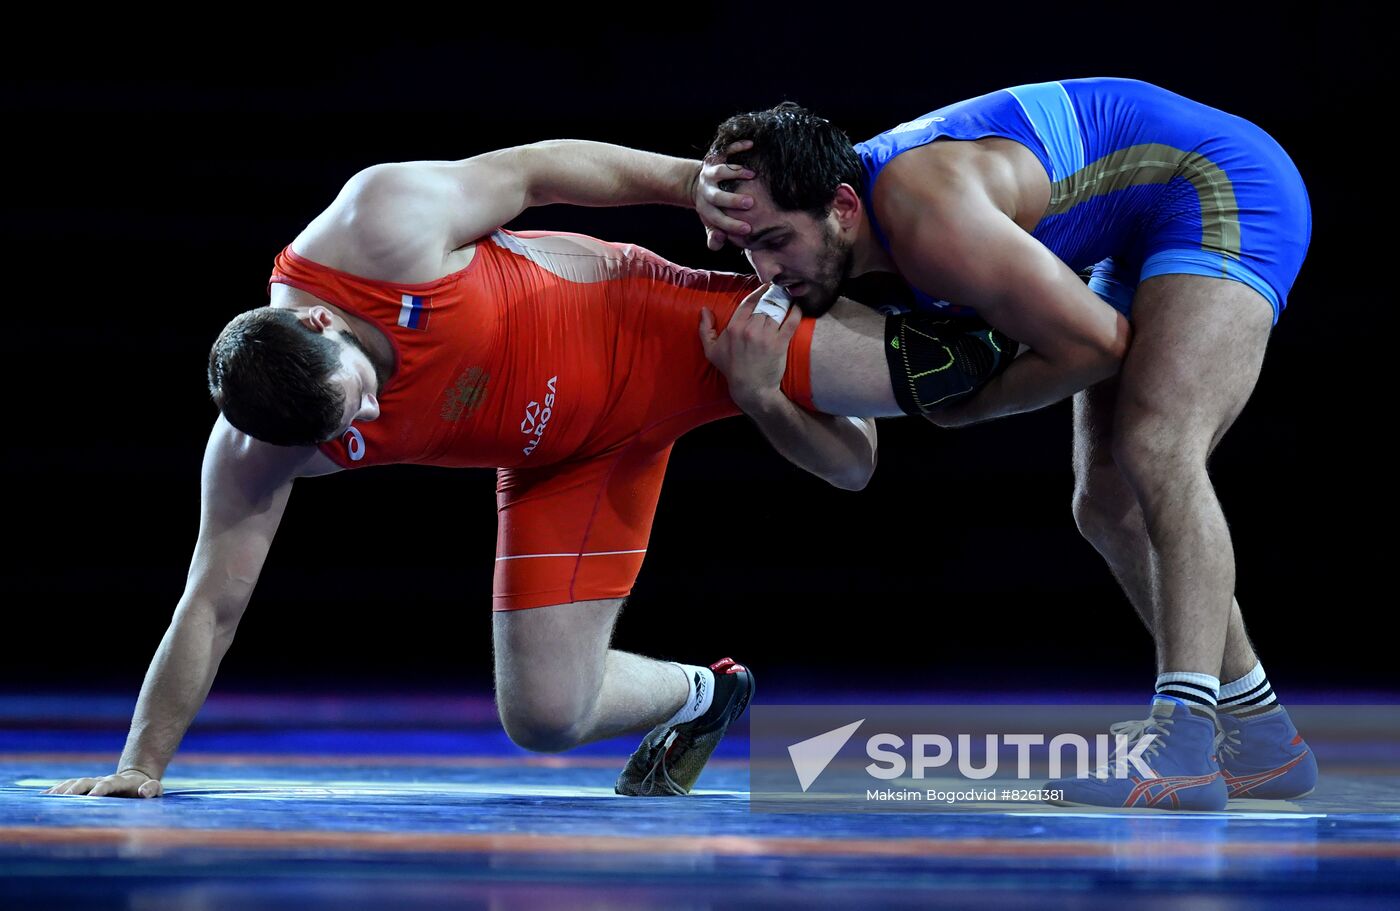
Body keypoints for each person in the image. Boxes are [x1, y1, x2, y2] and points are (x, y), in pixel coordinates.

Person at [41, 141, 1009, 800]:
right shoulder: (259, 447)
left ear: (319, 320)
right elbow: (210, 602)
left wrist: (692, 187)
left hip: (662, 330)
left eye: (358, 396)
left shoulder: (375, 227)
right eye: (346, 430)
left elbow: (540, 165)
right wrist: (142, 763)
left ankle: (1065, 267)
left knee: (943, 370)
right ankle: (707, 695)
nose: (370, 422)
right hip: (558, 462)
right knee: (545, 716)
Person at [692, 79, 1316, 810]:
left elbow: (1100, 345)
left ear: (841, 208)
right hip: (1136, 220)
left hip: (1221, 178)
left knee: (1158, 445)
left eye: (773, 242)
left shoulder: (925, 220)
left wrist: (974, 409)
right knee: (1103, 501)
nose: (765, 273)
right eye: (745, 248)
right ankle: (1262, 733)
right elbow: (856, 465)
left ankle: (1181, 738)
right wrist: (762, 396)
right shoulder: (835, 255)